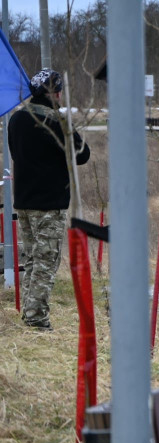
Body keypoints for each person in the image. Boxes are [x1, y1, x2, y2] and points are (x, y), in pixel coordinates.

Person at [8, 69, 91, 329]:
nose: (60, 95)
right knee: (46, 262)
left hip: (23, 200)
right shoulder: (55, 122)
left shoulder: (17, 119)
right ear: (51, 93)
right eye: (58, 91)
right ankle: (36, 320)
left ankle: (30, 312)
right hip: (49, 204)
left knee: (33, 259)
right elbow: (82, 154)